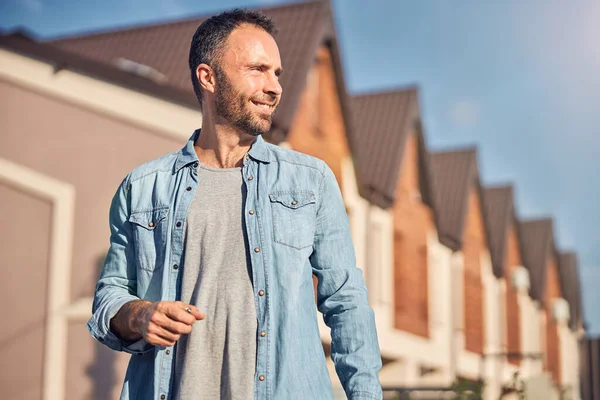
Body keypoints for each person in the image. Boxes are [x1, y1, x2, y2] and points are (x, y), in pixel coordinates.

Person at [88, 8, 382, 400]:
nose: (274, 86)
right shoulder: (143, 188)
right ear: (208, 77)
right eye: (258, 69)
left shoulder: (310, 180)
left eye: (277, 73)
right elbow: (109, 296)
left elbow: (346, 302)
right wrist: (140, 315)